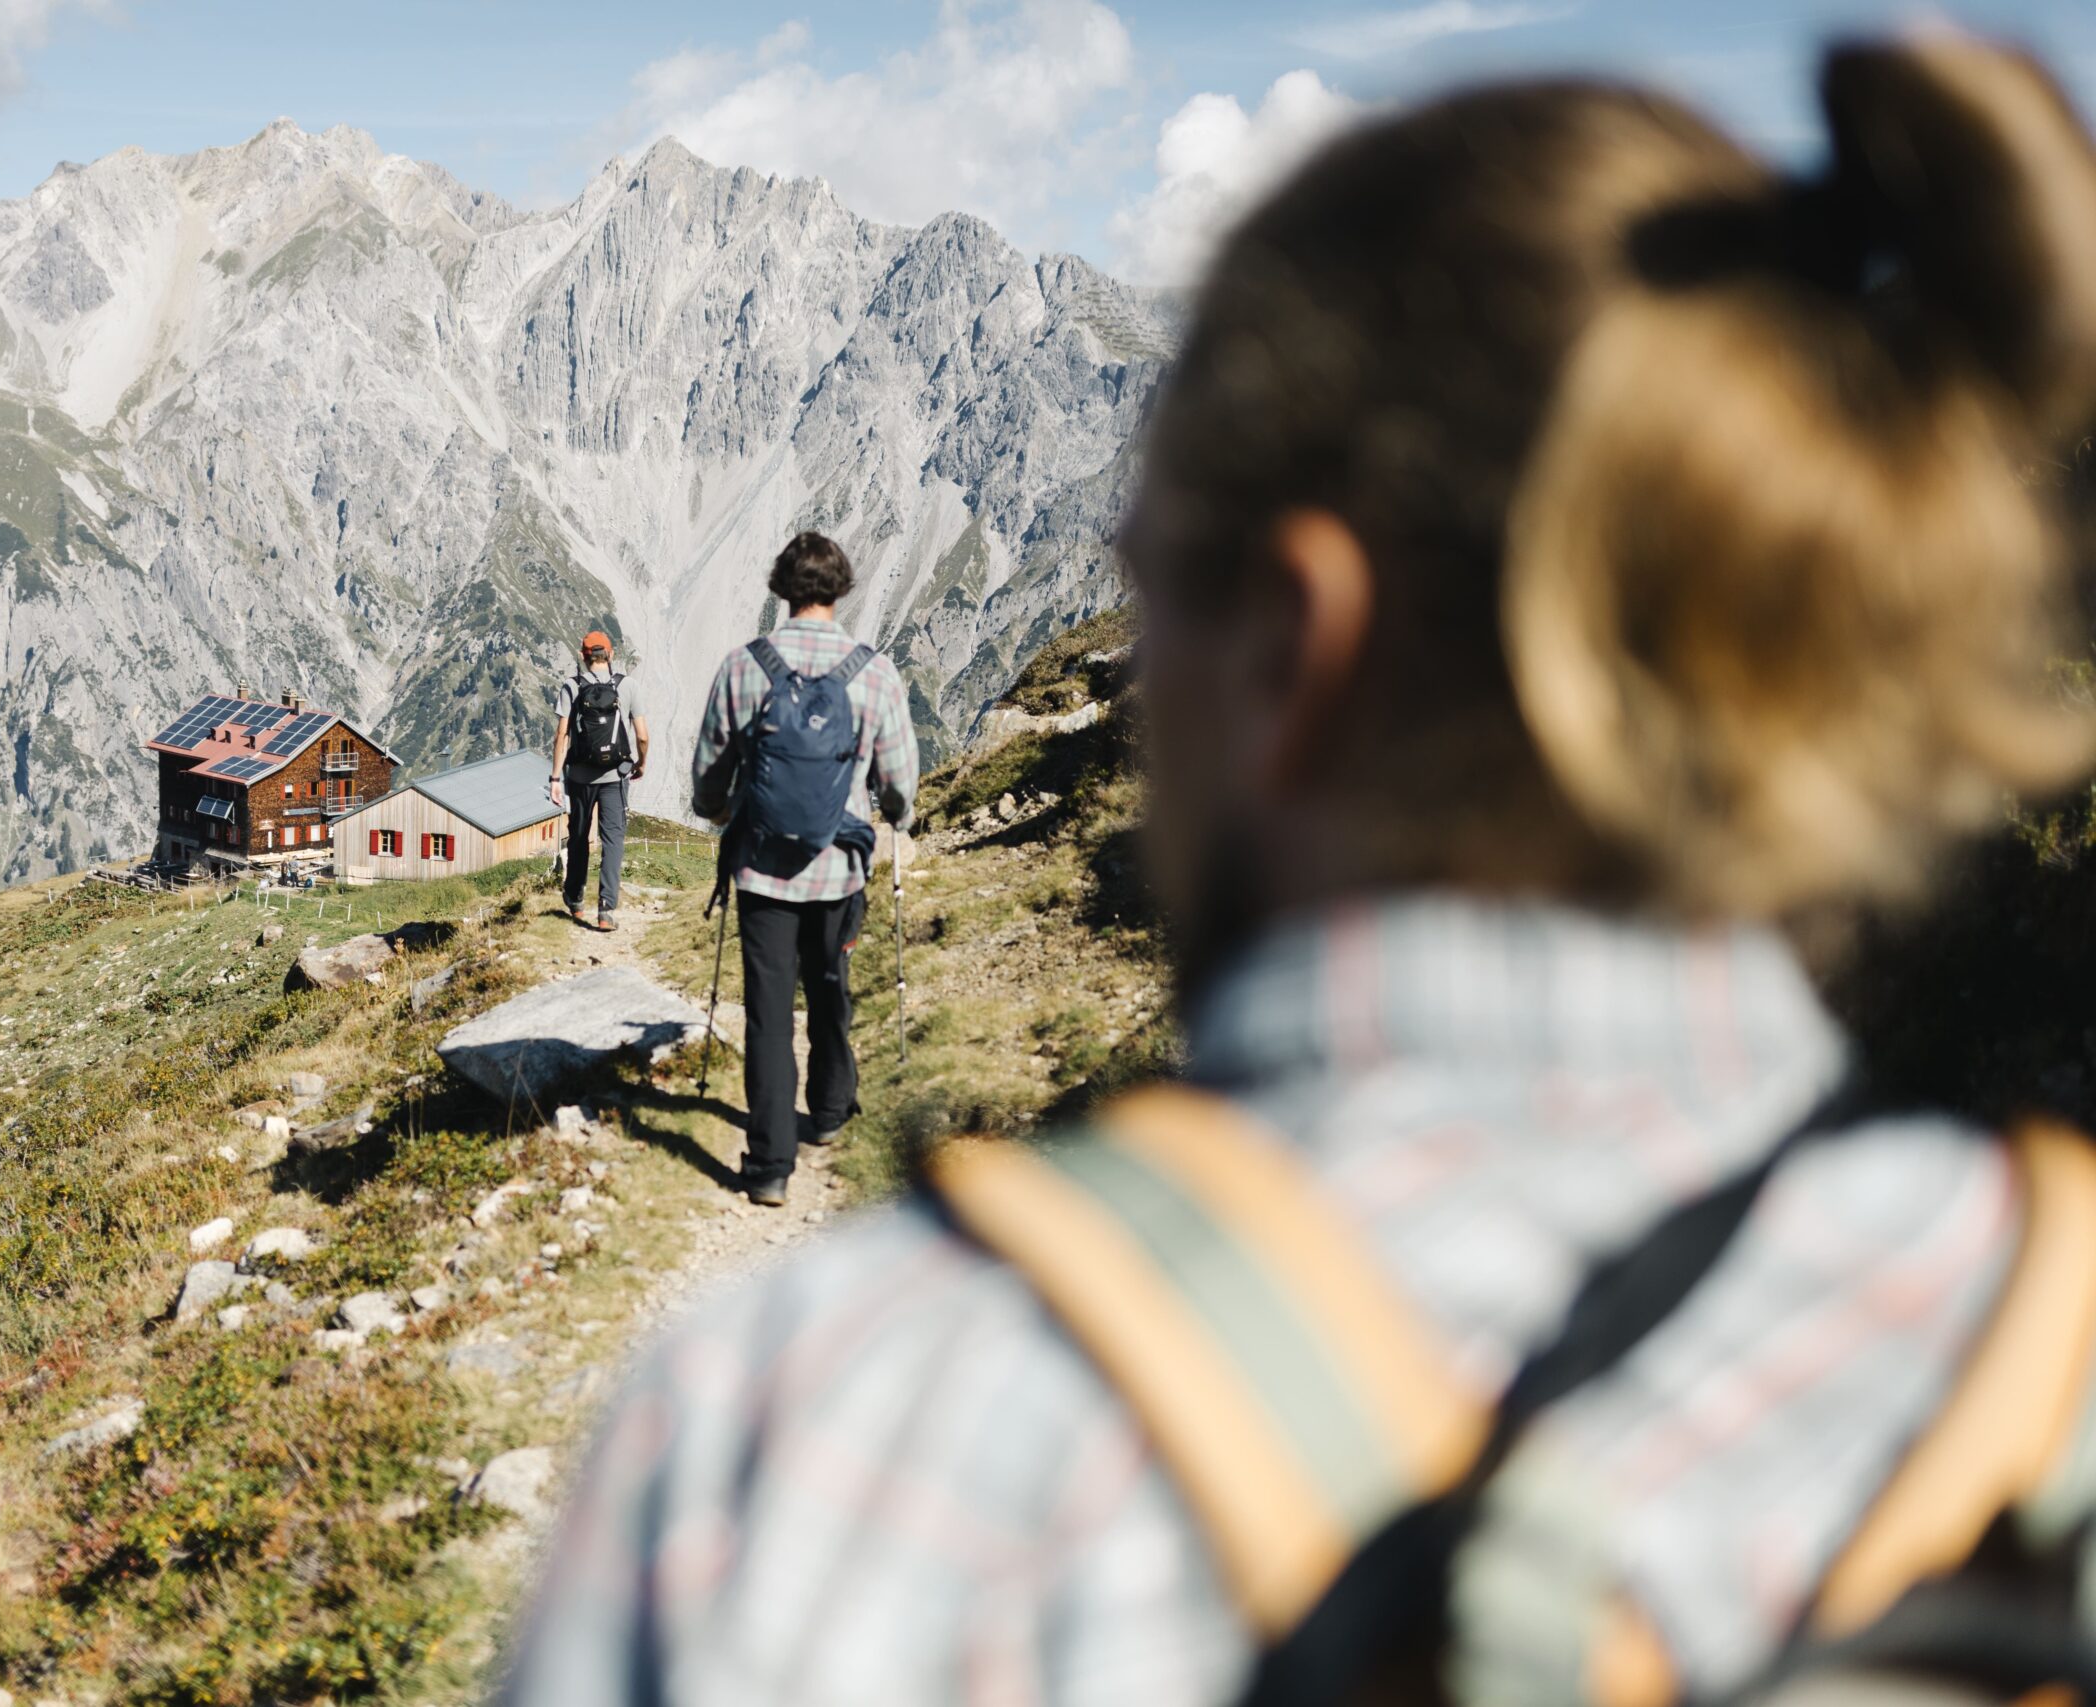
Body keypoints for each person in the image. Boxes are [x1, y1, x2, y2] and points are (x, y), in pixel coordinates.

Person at [501, 33, 2096, 1707]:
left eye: (1155, 588)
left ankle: (775, 1134)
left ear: (1292, 645)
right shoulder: (2046, 1351)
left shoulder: (819, 1438)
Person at [688, 532, 919, 1208]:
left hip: (761, 871)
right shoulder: (874, 672)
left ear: (782, 589)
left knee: (767, 1012)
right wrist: (894, 816)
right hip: (839, 868)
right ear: (841, 589)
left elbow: (707, 773)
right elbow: (899, 782)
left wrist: (722, 811)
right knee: (828, 987)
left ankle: (768, 1165)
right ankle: (826, 1111)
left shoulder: (743, 666)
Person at [550, 629, 648, 932]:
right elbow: (642, 736)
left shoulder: (572, 686)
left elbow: (561, 736)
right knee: (613, 839)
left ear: (583, 655)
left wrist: (555, 777)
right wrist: (641, 763)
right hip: (615, 776)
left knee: (579, 836)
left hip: (579, 776)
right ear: (611, 654)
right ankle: (606, 909)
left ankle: (575, 898)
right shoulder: (627, 686)